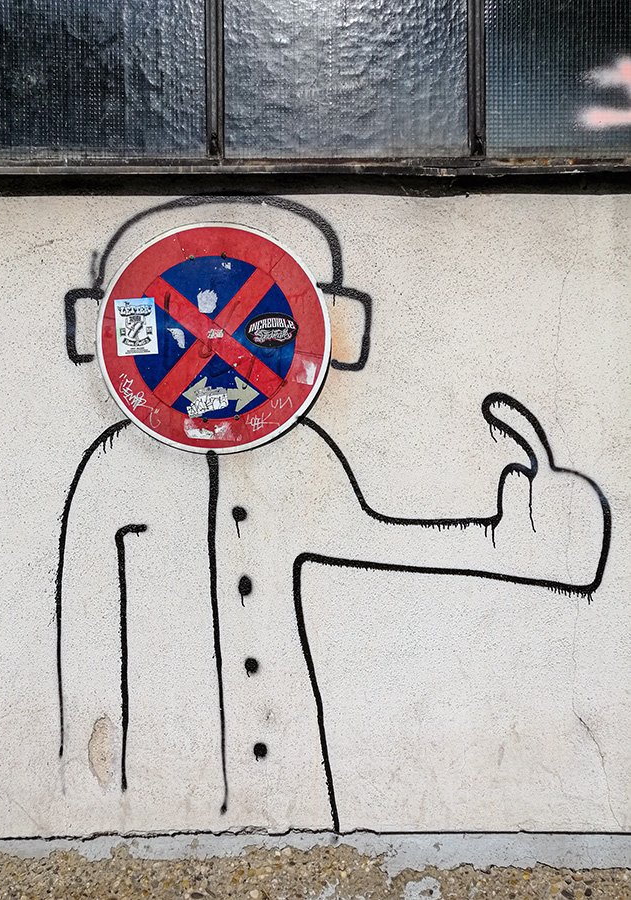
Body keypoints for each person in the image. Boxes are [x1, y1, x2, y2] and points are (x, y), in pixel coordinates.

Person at [57, 196, 610, 835]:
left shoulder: (300, 454)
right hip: (163, 798)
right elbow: (87, 648)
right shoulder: (115, 471)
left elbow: (379, 543)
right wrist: (90, 801)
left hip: (295, 787)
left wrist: (515, 544)